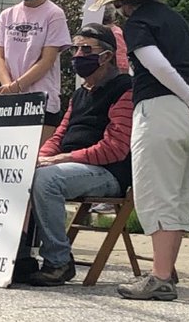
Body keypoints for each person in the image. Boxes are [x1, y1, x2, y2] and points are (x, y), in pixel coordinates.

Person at [92, 0, 189, 302]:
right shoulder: (174, 18)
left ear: (122, 1)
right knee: (179, 194)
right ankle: (167, 268)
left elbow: (156, 65)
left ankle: (160, 276)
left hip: (160, 110)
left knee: (156, 193)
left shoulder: (138, 23)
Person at [24, 24, 134, 286]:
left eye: (86, 49)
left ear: (106, 56)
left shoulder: (125, 89)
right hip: (73, 166)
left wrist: (61, 159)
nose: (77, 55)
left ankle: (58, 262)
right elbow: (60, 136)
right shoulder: (80, 93)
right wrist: (39, 158)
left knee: (46, 180)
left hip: (109, 172)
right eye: (75, 49)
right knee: (25, 172)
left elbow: (115, 147)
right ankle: (19, 257)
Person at [0, 0, 71, 138]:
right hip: (10, 101)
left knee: (38, 155)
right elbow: (0, 57)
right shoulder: (7, 15)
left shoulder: (54, 14)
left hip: (42, 100)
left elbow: (47, 60)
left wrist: (17, 86)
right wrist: (7, 86)